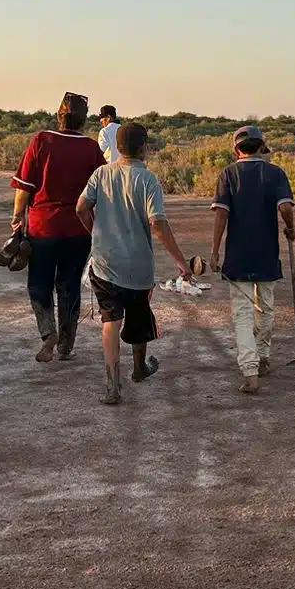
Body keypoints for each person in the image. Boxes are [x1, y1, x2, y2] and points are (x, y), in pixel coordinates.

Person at [76, 123, 193, 405]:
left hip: (104, 264)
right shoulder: (148, 179)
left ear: (117, 145)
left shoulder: (101, 174)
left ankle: (112, 385)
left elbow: (81, 207)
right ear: (144, 148)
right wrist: (181, 262)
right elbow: (158, 225)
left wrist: (95, 233)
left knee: (110, 322)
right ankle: (139, 369)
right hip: (138, 268)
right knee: (139, 316)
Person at [10, 92, 105, 363]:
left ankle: (47, 332)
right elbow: (103, 190)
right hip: (78, 229)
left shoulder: (42, 140)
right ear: (83, 120)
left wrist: (17, 218)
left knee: (39, 284)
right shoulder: (90, 148)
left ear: (59, 115)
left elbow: (24, 187)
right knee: (69, 285)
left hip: (43, 228)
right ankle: (66, 343)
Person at [209, 125, 295, 394]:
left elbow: (221, 216)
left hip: (238, 256)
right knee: (266, 308)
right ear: (261, 147)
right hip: (267, 254)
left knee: (243, 315)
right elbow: (284, 207)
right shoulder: (275, 173)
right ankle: (263, 356)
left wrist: (214, 251)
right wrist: (290, 228)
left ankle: (250, 371)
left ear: (237, 149)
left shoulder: (228, 174)